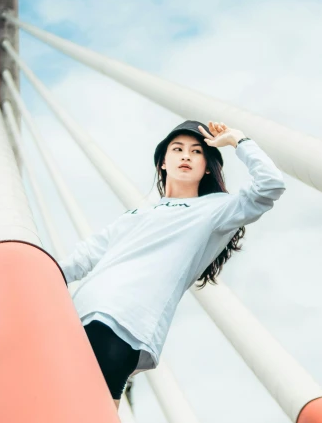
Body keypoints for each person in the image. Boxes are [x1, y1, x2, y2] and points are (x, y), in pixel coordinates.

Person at [58, 120, 286, 408]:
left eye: (196, 151)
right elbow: (82, 258)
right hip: (77, 319)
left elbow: (270, 185)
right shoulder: (136, 215)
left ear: (207, 166)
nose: (186, 156)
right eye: (177, 149)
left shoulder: (215, 209)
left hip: (125, 326)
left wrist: (238, 140)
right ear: (163, 163)